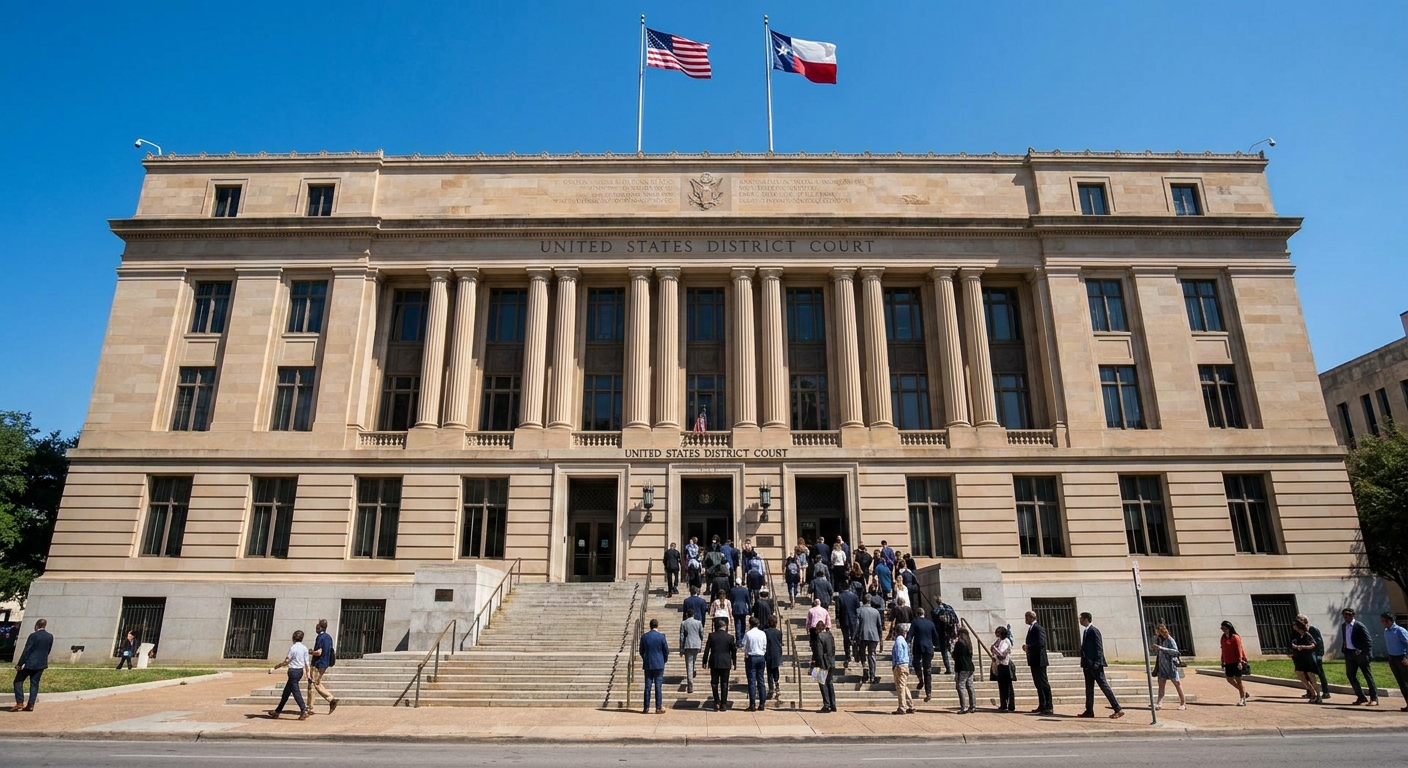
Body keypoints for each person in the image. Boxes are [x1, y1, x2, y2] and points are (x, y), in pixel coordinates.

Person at [1078, 612, 1124, 718]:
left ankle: (1117, 708)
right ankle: (1089, 710)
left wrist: (1098, 662)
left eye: (1081, 618)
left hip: (1095, 665)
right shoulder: (1086, 631)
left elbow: (1099, 647)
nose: (1080, 620)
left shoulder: (1094, 631)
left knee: (1104, 686)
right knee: (1089, 689)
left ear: (1086, 619)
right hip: (1087, 665)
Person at [10, 619, 52, 712]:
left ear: (37, 625)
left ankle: (20, 702)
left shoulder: (33, 636)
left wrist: (20, 664)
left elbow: (27, 650)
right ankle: (31, 705)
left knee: (18, 681)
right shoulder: (50, 636)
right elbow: (48, 650)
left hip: (29, 663)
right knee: (34, 684)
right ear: (45, 625)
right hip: (41, 664)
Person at [268, 629, 311, 720]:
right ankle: (277, 711)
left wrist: (275, 667)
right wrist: (308, 673)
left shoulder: (293, 648)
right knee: (286, 692)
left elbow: (286, 661)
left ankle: (303, 710)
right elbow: (307, 663)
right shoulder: (304, 648)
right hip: (300, 671)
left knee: (295, 692)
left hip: (293, 671)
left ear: (293, 638)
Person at [1340, 608, 1379, 706]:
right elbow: (1346, 638)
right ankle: (1361, 697)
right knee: (1350, 675)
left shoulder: (1359, 626)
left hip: (1360, 654)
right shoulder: (1343, 626)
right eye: (1344, 614)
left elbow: (1368, 641)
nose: (1346, 616)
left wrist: (1363, 652)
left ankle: (1374, 698)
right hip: (1349, 654)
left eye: (1348, 615)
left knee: (1367, 675)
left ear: (1353, 615)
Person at [702, 617, 736, 711]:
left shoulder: (712, 636)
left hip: (714, 661)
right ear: (724, 627)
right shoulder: (730, 637)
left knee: (714, 682)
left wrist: (704, 661)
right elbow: (733, 650)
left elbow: (707, 649)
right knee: (724, 683)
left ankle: (717, 701)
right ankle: (723, 704)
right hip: (725, 662)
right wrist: (734, 661)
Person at [907, 608, 941, 703]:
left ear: (917, 614)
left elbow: (910, 634)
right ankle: (928, 693)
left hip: (918, 647)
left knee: (916, 663)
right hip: (929, 648)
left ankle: (920, 679)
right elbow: (935, 637)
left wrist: (907, 642)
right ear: (924, 614)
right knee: (927, 670)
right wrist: (937, 645)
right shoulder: (930, 623)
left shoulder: (915, 622)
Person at [1151, 623, 1186, 710]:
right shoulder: (1160, 641)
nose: (1158, 635)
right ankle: (1159, 703)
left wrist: (1162, 649)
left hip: (1171, 666)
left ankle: (1183, 703)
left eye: (1159, 632)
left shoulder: (1170, 640)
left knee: (1177, 684)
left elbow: (1176, 652)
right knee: (1161, 686)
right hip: (1162, 667)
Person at [1023, 611, 1052, 714]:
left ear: (1031, 617)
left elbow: (1041, 643)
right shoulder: (1031, 628)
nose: (1025, 620)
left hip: (1040, 660)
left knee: (1043, 683)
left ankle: (1048, 706)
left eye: (1027, 618)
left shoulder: (1038, 628)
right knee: (1038, 684)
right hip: (1034, 660)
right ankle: (1042, 704)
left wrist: (1029, 646)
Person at [307, 619, 339, 714]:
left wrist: (311, 652)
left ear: (320, 627)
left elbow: (319, 652)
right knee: (318, 683)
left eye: (317, 626)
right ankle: (330, 700)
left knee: (313, 685)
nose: (316, 628)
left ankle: (311, 706)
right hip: (324, 663)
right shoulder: (329, 637)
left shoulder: (320, 637)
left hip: (318, 664)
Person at [1296, 613, 1330, 701]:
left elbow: (1318, 642)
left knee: (1320, 673)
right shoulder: (1300, 631)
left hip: (1315, 655)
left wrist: (1319, 654)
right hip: (1307, 655)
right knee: (1307, 674)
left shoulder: (1313, 629)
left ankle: (1326, 692)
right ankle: (1310, 691)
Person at [638, 618, 669, 714]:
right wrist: (664, 660)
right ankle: (658, 707)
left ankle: (646, 707)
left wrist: (645, 658)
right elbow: (666, 651)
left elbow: (641, 651)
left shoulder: (644, 637)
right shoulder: (661, 637)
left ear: (650, 626)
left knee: (647, 686)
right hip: (659, 664)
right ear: (657, 626)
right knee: (658, 686)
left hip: (648, 663)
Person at [1379, 612, 1408, 711]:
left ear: (1390, 620)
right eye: (1382, 621)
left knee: (1406, 681)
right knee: (1401, 683)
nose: (1383, 623)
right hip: (1393, 658)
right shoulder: (1386, 631)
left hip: (1402, 658)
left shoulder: (1399, 630)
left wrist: (1406, 657)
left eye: (1384, 621)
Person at [1289, 618, 1321, 705]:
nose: (1294, 627)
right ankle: (1312, 692)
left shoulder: (1307, 635)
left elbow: (1313, 645)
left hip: (1308, 657)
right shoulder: (1297, 636)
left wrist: (1302, 647)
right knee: (1299, 674)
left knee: (1311, 677)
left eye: (1296, 626)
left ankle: (1318, 695)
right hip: (1300, 658)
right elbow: (1293, 645)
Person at [1219, 620, 1250, 706]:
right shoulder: (1223, 638)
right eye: (1222, 628)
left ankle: (1242, 699)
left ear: (1229, 628)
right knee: (1229, 679)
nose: (1223, 630)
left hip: (1236, 661)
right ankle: (1244, 692)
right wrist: (1222, 660)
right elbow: (1223, 649)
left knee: (1238, 680)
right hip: (1228, 661)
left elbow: (1239, 650)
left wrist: (1240, 661)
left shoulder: (1235, 637)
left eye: (1224, 628)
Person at [743, 616, 769, 711]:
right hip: (761, 656)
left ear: (750, 624)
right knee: (761, 680)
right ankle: (762, 703)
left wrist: (746, 652)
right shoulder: (762, 633)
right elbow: (764, 646)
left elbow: (744, 645)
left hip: (751, 657)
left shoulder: (748, 634)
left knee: (752, 681)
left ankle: (752, 704)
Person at [811, 624, 837, 713]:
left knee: (822, 683)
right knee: (830, 682)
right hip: (831, 660)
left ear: (818, 629)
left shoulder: (819, 637)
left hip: (822, 662)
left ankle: (827, 704)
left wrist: (817, 663)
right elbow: (833, 648)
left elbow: (818, 651)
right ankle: (833, 704)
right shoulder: (830, 635)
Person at [857, 597, 883, 684]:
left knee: (862, 653)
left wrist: (854, 636)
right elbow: (879, 626)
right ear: (870, 602)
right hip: (874, 636)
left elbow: (857, 625)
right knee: (872, 655)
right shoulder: (876, 611)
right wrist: (881, 638)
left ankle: (865, 666)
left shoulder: (859, 611)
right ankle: (872, 676)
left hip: (863, 635)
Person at [835, 583, 861, 668]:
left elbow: (837, 610)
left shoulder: (839, 597)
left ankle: (848, 655)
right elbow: (858, 607)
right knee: (854, 637)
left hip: (844, 620)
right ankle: (855, 653)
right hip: (853, 619)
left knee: (846, 638)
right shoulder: (854, 596)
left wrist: (837, 620)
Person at [990, 626, 1015, 713]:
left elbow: (1002, 655)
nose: (996, 634)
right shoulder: (999, 641)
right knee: (1001, 685)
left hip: (1005, 665)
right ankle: (1003, 703)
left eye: (998, 632)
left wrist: (994, 649)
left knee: (1007, 686)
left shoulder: (1006, 641)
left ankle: (1010, 705)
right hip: (999, 665)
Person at [679, 610, 704, 695]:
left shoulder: (684, 623)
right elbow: (702, 634)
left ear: (686, 614)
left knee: (689, 664)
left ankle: (690, 683)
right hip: (696, 644)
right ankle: (693, 670)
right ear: (693, 614)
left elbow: (682, 637)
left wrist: (681, 649)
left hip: (688, 644)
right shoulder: (698, 623)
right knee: (693, 661)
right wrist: (701, 643)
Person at [932, 596, 958, 675]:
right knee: (953, 650)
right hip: (952, 633)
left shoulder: (936, 611)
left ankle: (949, 669)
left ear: (936, 602)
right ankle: (957, 666)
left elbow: (935, 623)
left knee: (944, 651)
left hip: (943, 633)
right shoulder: (949, 608)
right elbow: (956, 619)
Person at [953, 627, 976, 714]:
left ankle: (964, 707)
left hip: (962, 667)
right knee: (970, 686)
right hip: (970, 667)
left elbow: (955, 655)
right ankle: (973, 705)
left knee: (960, 686)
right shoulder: (968, 643)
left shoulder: (959, 643)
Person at [891, 625, 914, 714]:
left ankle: (902, 707)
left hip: (900, 665)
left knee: (900, 686)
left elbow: (899, 653)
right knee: (904, 685)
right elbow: (908, 654)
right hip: (905, 664)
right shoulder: (904, 641)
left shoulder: (898, 641)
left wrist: (897, 665)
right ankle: (910, 705)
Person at [764, 616, 784, 703]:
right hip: (777, 653)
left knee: (769, 672)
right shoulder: (779, 632)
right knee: (776, 670)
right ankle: (776, 683)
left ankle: (771, 688)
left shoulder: (766, 632)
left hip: (768, 653)